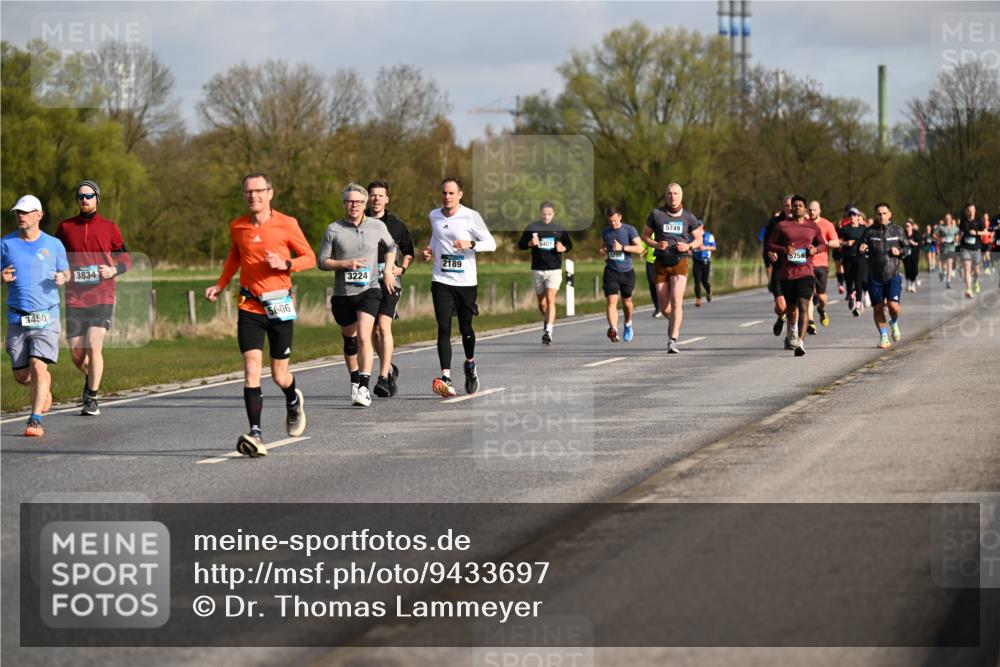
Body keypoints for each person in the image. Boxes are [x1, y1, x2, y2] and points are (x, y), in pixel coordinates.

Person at [205, 173, 316, 457]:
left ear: (270, 193)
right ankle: (256, 433)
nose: (253, 196)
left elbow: (310, 258)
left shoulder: (287, 224)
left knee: (280, 375)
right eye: (248, 192)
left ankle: (293, 400)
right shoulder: (237, 226)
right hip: (249, 305)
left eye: (258, 191)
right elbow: (234, 257)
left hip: (279, 305)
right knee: (252, 367)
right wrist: (220, 284)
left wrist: (286, 263)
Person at [55, 180, 132, 417]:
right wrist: (59, 273)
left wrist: (113, 271)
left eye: (89, 196)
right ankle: (90, 379)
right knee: (77, 355)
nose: (84, 200)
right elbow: (56, 257)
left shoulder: (110, 227)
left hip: (103, 295)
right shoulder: (66, 227)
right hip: (75, 297)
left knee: (93, 346)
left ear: (97, 198)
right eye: (80, 196)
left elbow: (126, 259)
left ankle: (93, 398)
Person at [319, 183, 397, 407]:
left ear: (365, 204)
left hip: (369, 290)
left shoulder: (376, 226)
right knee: (350, 340)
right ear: (344, 204)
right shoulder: (333, 229)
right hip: (343, 294)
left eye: (358, 202)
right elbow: (322, 262)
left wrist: (389, 271)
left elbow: (392, 247)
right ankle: (354, 379)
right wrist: (344, 264)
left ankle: (364, 386)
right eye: (349, 201)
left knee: (365, 336)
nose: (354, 205)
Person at [421, 178, 496, 397]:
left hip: (465, 282)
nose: (447, 197)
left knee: (466, 328)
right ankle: (446, 376)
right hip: (441, 279)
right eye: (444, 193)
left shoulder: (471, 216)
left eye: (452, 193)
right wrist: (429, 251)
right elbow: (436, 238)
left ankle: (470, 365)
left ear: (460, 195)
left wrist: (470, 244)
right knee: (443, 327)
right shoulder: (434, 215)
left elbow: (491, 243)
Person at [3, 195, 69, 437]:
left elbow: (66, 272)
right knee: (22, 375)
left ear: (38, 215)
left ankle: (35, 420)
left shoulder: (54, 245)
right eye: (18, 212)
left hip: (46, 316)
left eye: (25, 212)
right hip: (17, 317)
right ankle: (44, 390)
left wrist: (64, 278)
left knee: (38, 367)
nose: (20, 216)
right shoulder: (6, 244)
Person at [642, 182, 704, 353]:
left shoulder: (689, 217)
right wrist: (655, 244)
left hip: (679, 261)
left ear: (681, 196)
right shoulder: (656, 214)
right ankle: (675, 321)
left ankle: (672, 339)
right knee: (665, 308)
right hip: (660, 263)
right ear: (666, 196)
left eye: (676, 193)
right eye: (669, 193)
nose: (673, 197)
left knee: (677, 301)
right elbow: (645, 235)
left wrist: (689, 246)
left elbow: (699, 238)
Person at [365, 180, 414, 397]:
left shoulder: (396, 225)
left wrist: (401, 269)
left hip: (390, 282)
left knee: (384, 326)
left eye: (380, 195)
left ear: (387, 199)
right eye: (373, 195)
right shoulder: (360, 221)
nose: (376, 199)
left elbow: (409, 251)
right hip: (365, 282)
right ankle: (389, 367)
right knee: (372, 330)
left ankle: (383, 378)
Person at [766, 195, 826, 356]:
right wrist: (783, 250)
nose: (797, 208)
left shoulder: (812, 226)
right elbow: (770, 244)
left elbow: (822, 243)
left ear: (805, 209)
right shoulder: (782, 226)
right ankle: (791, 330)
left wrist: (816, 250)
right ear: (790, 209)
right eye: (794, 206)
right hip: (787, 274)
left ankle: (800, 342)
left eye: (800, 205)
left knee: (803, 306)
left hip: (806, 272)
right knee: (791, 310)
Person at [517, 201, 573, 344]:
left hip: (554, 269)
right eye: (544, 214)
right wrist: (530, 244)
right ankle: (547, 319)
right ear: (540, 214)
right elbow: (521, 245)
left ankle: (548, 330)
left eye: (549, 214)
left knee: (550, 299)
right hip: (537, 269)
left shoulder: (559, 229)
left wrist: (563, 248)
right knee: (542, 304)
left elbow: (569, 245)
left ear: (553, 214)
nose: (546, 216)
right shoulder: (532, 227)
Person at [859, 202, 907, 349]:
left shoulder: (898, 230)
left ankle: (894, 322)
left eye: (884, 213)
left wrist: (900, 252)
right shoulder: (869, 232)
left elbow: (907, 249)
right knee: (878, 308)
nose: (882, 216)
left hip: (893, 275)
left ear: (890, 214)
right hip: (875, 277)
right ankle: (884, 337)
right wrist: (861, 249)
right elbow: (860, 247)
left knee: (893, 306)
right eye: (879, 214)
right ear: (876, 215)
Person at [600, 207, 643, 343]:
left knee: (627, 302)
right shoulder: (605, 232)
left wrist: (623, 248)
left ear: (620, 217)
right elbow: (603, 247)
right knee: (612, 301)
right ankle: (613, 329)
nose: (613, 224)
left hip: (627, 272)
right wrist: (602, 250)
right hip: (611, 271)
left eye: (615, 221)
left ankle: (628, 324)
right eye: (610, 221)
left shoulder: (630, 230)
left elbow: (640, 249)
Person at [805, 201, 840, 333]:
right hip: (806, 264)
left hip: (821, 264)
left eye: (814, 210)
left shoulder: (827, 224)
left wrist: (826, 242)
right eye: (809, 210)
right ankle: (811, 322)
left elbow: (837, 242)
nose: (811, 212)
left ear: (819, 210)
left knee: (822, 297)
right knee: (808, 295)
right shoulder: (803, 224)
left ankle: (821, 309)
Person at [762, 196, 793, 337]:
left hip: (796, 268)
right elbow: (767, 244)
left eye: (792, 205)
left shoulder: (803, 223)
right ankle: (781, 316)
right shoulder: (775, 222)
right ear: (783, 206)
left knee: (794, 306)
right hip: (779, 267)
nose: (790, 208)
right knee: (781, 306)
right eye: (786, 205)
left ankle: (792, 336)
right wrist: (769, 254)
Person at [838, 207, 869, 316]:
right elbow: (837, 241)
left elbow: (868, 241)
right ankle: (851, 296)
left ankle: (858, 305)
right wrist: (846, 243)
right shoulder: (845, 229)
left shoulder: (864, 228)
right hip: (848, 258)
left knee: (858, 281)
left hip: (860, 258)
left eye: (854, 215)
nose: (852, 217)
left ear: (858, 216)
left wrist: (867, 248)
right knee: (849, 281)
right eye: (850, 215)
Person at [957, 203, 984, 299]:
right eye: (969, 210)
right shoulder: (963, 221)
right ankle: (968, 289)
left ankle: (976, 282)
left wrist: (976, 232)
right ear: (966, 211)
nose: (971, 212)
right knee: (967, 268)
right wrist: (957, 237)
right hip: (965, 247)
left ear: (975, 210)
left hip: (976, 248)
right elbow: (960, 232)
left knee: (976, 271)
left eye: (973, 210)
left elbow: (984, 232)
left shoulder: (979, 220)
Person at [691, 224, 716, 307]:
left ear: (702, 226)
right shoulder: (692, 236)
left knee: (704, 281)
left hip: (705, 260)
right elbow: (688, 246)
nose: (697, 227)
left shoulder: (709, 235)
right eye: (696, 225)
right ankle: (698, 300)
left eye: (699, 225)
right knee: (697, 281)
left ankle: (709, 290)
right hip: (696, 261)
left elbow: (714, 247)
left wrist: (705, 248)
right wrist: (689, 252)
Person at [934, 213, 959, 288]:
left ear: (951, 219)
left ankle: (948, 281)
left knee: (950, 263)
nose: (948, 220)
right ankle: (942, 272)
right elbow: (934, 234)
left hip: (951, 248)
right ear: (944, 219)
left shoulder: (954, 227)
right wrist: (939, 239)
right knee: (943, 264)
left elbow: (958, 234)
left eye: (949, 218)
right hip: (943, 248)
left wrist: (956, 238)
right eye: (946, 218)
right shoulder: (941, 227)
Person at [639, 238, 661, 317]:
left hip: (662, 262)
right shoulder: (649, 234)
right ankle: (657, 308)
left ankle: (667, 305)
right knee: (652, 285)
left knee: (663, 285)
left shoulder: (663, 230)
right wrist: (640, 251)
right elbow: (642, 247)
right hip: (650, 263)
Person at [902, 219, 922, 292]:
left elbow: (920, 243)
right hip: (906, 253)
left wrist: (914, 243)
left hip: (914, 253)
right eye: (906, 226)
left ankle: (913, 284)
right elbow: (899, 243)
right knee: (907, 268)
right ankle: (908, 283)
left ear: (912, 226)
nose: (907, 227)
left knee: (914, 268)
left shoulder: (916, 233)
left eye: (908, 226)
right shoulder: (903, 234)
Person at [981, 212, 993, 276]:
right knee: (983, 257)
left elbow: (993, 231)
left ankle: (987, 267)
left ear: (988, 217)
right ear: (983, 218)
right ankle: (985, 268)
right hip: (982, 242)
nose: (985, 218)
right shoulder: (981, 224)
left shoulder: (990, 224)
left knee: (987, 254)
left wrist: (991, 234)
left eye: (986, 217)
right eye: (984, 217)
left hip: (989, 241)